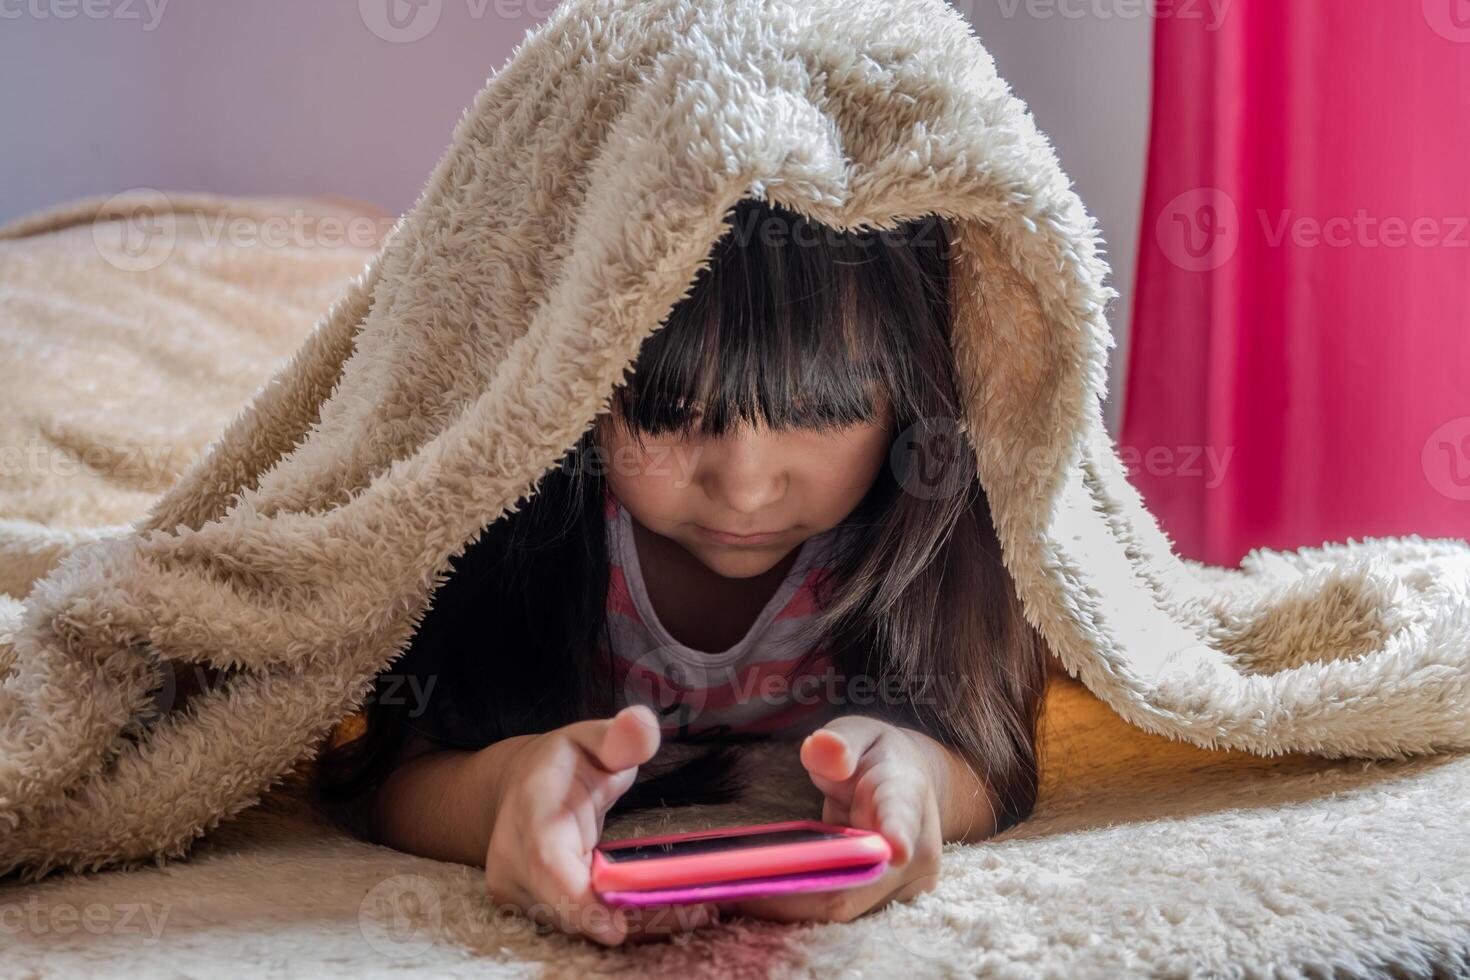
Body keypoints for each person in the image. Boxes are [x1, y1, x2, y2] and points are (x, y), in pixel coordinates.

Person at [312, 197, 1050, 946]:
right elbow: (397, 775)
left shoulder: (923, 531)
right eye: (666, 409)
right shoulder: (527, 518)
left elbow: (987, 757)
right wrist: (506, 788)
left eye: (825, 409)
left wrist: (921, 775)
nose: (745, 487)